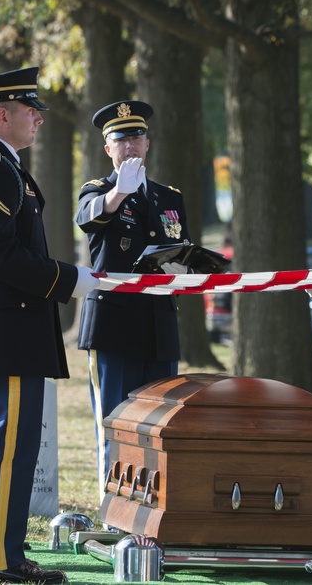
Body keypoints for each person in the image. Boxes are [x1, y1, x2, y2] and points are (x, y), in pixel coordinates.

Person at [0, 66, 98, 584]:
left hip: (4, 331)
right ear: (2, 115)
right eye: (30, 110)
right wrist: (68, 280)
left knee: (5, 444)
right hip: (5, 334)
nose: (39, 118)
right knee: (6, 448)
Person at [75, 99, 189, 501]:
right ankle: (115, 504)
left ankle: (152, 503)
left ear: (148, 143)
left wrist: (185, 270)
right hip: (115, 324)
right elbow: (88, 217)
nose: (130, 146)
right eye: (120, 140)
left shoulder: (168, 197)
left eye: (137, 137)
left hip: (158, 323)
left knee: (159, 420)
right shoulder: (98, 191)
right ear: (108, 149)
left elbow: (180, 248)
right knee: (114, 421)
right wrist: (117, 196)